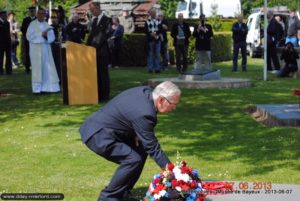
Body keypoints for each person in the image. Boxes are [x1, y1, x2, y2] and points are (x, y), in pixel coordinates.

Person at [79, 81, 181, 201]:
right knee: (132, 159)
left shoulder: (145, 92)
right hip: (98, 134)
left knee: (141, 151)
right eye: (173, 104)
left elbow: (129, 113)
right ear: (161, 100)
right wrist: (172, 172)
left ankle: (123, 193)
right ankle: (108, 197)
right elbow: (153, 148)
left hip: (106, 129)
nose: (174, 108)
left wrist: (136, 133)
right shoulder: (145, 114)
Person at [26, 7, 60, 94]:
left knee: (46, 68)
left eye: (43, 14)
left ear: (45, 15)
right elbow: (29, 36)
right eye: (39, 13)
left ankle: (45, 88)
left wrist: (45, 36)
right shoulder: (32, 24)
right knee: (37, 69)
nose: (41, 15)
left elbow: (52, 38)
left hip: (45, 50)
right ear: (37, 14)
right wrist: (41, 35)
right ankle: (36, 89)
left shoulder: (47, 25)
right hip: (35, 49)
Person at [86, 1, 111, 102]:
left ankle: (105, 95)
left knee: (103, 74)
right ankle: (98, 95)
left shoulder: (107, 20)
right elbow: (91, 35)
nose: (91, 12)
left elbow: (104, 36)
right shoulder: (93, 20)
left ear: (97, 8)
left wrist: (94, 47)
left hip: (102, 52)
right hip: (93, 52)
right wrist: (86, 47)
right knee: (96, 74)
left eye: (92, 10)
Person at [145, 8, 162, 73]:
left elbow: (160, 29)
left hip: (157, 40)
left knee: (157, 54)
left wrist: (155, 34)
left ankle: (157, 68)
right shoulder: (147, 21)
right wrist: (151, 34)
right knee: (150, 54)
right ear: (150, 14)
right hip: (150, 40)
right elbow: (146, 30)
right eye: (152, 13)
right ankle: (150, 68)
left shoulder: (159, 20)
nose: (153, 14)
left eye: (154, 13)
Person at [21, 6, 37, 74]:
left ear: (35, 12)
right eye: (31, 11)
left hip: (36, 39)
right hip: (28, 40)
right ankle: (27, 68)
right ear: (29, 12)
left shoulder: (37, 19)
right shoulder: (26, 20)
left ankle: (35, 67)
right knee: (27, 53)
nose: (32, 13)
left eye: (33, 11)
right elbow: (23, 29)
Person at [0, 10, 12, 75]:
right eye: (4, 16)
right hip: (1, 43)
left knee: (8, 57)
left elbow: (8, 33)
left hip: (7, 42)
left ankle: (9, 70)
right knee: (0, 57)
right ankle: (1, 71)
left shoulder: (7, 23)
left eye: (6, 16)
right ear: (1, 16)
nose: (6, 17)